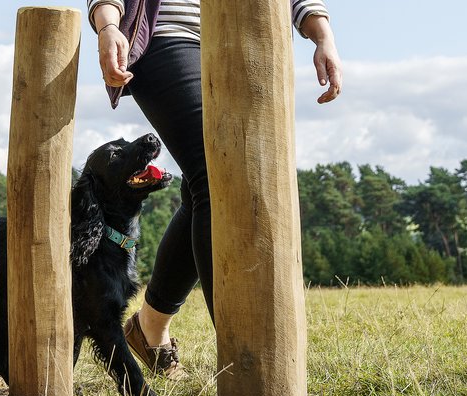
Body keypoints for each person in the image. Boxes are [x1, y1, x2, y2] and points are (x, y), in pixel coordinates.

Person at [86, 0, 343, 374]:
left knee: (201, 190)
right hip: (168, 34)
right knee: (214, 175)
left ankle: (149, 327)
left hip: (249, 42)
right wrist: (109, 25)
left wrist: (323, 35)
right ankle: (245, 353)